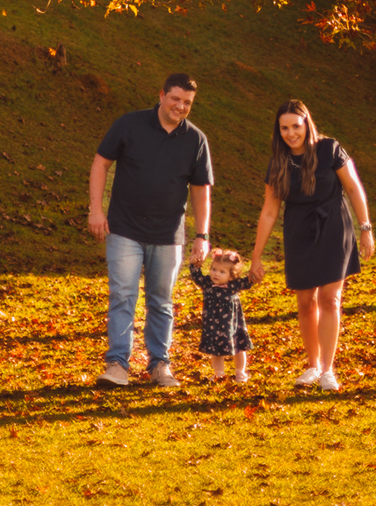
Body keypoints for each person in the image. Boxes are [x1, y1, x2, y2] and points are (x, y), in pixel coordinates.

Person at [88, 71, 212, 388]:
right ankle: (117, 365)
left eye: (187, 102)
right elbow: (100, 163)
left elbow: (201, 190)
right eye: (175, 99)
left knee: (161, 301)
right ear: (161, 95)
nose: (180, 106)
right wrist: (96, 210)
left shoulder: (196, 140)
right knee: (123, 296)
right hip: (124, 229)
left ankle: (160, 366)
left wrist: (202, 235)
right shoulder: (130, 124)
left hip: (168, 236)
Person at [247, 98, 374, 393]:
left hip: (334, 226)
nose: (291, 133)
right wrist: (256, 256)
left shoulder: (329, 149)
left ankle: (328, 370)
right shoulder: (278, 163)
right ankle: (313, 365)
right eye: (284, 128)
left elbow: (353, 187)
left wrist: (365, 228)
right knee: (305, 302)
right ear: (278, 131)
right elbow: (269, 211)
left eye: (296, 126)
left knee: (330, 299)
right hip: (299, 231)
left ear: (307, 124)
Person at [189, 248, 253, 383]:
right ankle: (219, 374)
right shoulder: (207, 283)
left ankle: (240, 372)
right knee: (215, 350)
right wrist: (194, 265)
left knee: (239, 347)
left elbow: (248, 282)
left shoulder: (233, 285)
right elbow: (196, 276)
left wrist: (254, 275)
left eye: (222, 272)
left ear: (231, 276)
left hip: (232, 324)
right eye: (214, 269)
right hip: (213, 325)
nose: (216, 274)